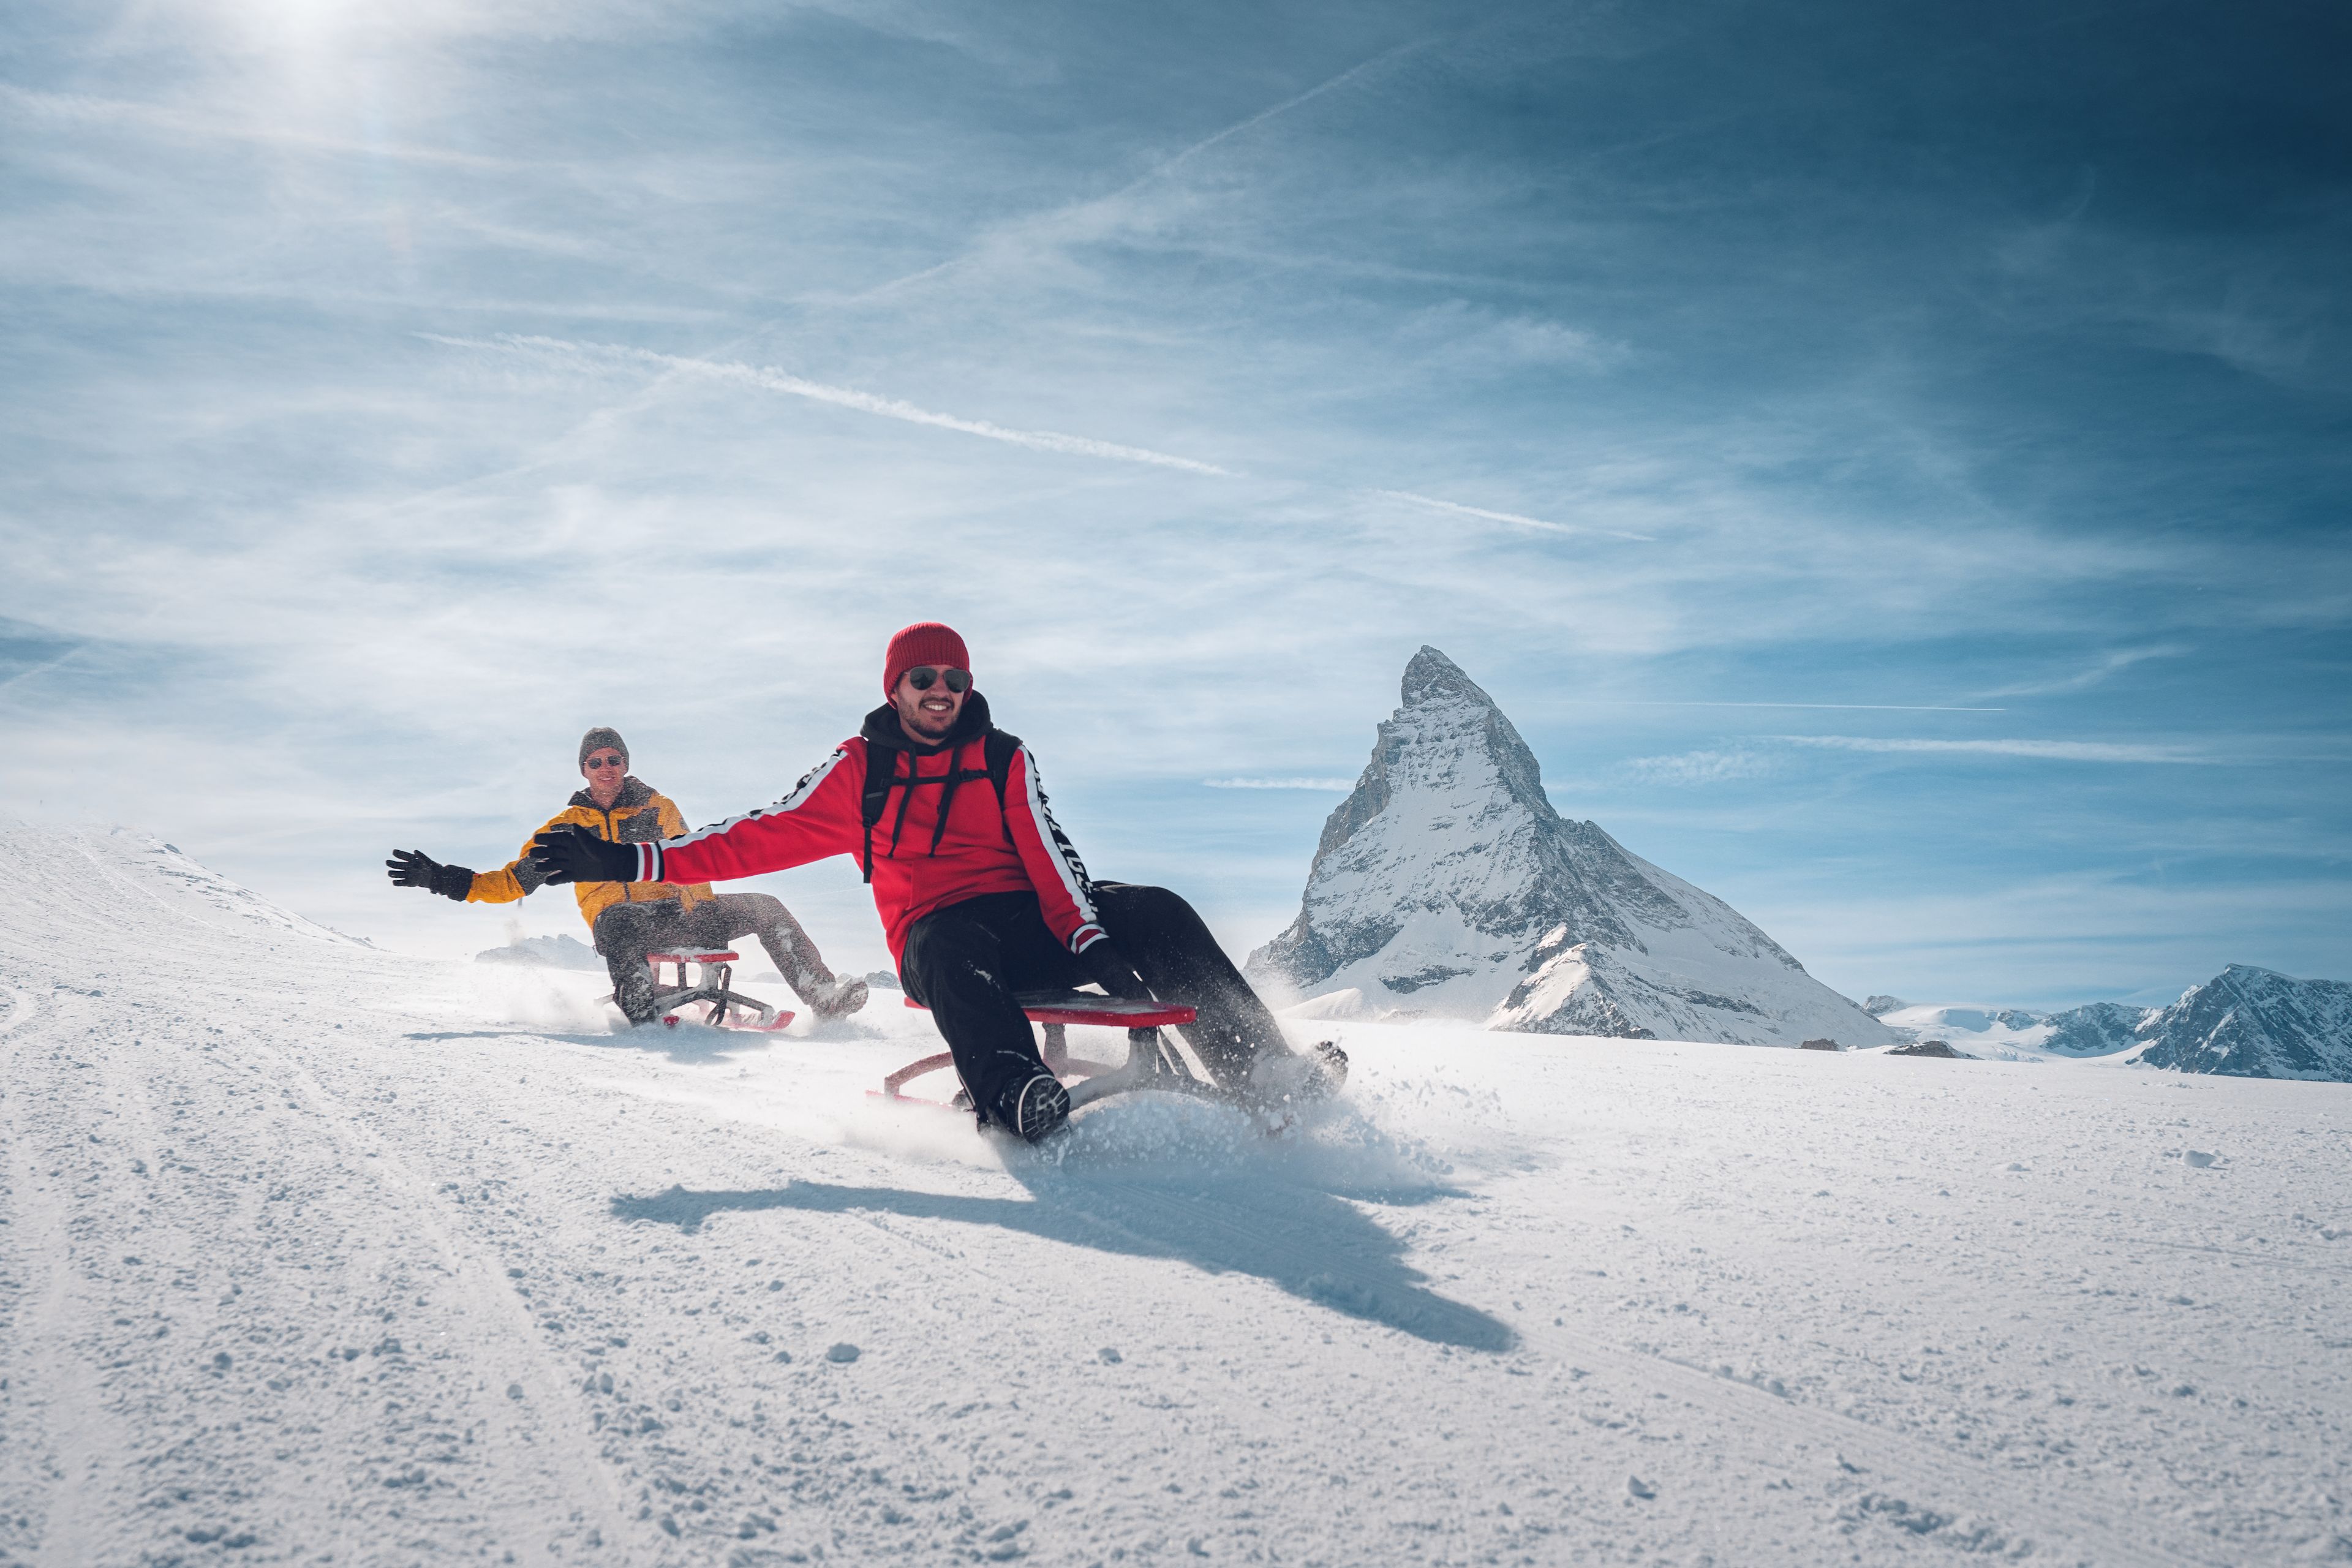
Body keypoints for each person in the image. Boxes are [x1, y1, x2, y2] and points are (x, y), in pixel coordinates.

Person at [527, 625, 1340, 1140]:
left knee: (1153, 908)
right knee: (953, 936)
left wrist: (1093, 937)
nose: (941, 689)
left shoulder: (1002, 756)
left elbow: (1053, 859)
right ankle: (1014, 1092)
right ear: (895, 689)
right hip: (937, 942)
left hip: (1030, 929)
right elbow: (752, 837)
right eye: (923, 678)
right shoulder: (860, 773)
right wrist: (631, 862)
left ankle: (1262, 1069)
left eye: (954, 677)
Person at [385, 726, 867, 1026]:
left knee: (766, 906)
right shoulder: (566, 829)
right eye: (596, 762)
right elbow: (512, 882)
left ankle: (822, 995)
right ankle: (640, 1007)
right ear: (584, 770)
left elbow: (694, 858)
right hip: (620, 922)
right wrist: (444, 879)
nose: (606, 768)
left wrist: (699, 912)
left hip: (678, 911)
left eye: (614, 759)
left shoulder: (658, 809)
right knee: (618, 922)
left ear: (626, 764)